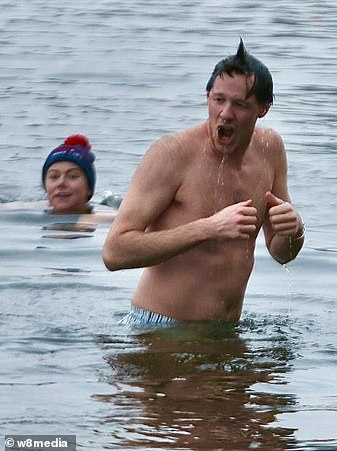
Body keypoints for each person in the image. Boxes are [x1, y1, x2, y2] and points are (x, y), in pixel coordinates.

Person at [103, 40, 304, 324]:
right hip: (160, 328)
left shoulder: (271, 149)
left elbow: (282, 253)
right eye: (218, 100)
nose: (225, 113)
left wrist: (294, 229)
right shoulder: (172, 153)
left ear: (263, 108)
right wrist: (209, 228)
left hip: (225, 334)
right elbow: (114, 252)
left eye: (239, 104)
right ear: (207, 97)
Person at [0, 134, 115, 225]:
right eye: (54, 177)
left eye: (73, 176)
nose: (61, 183)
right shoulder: (32, 207)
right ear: (45, 186)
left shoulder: (108, 215)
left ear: (89, 188)